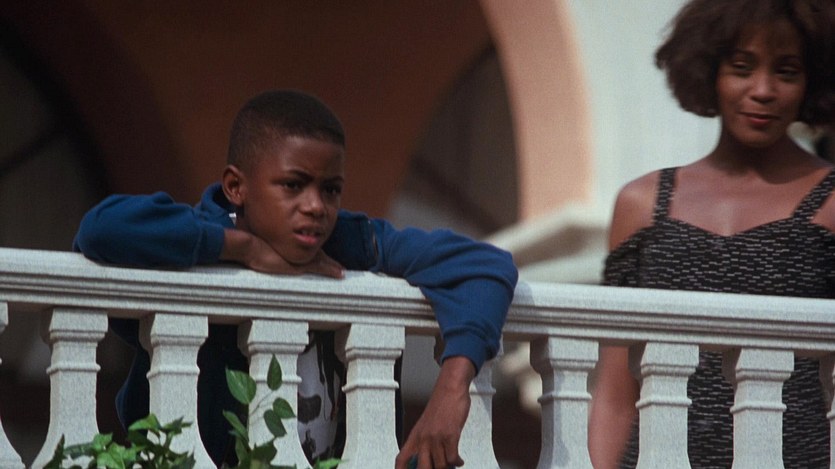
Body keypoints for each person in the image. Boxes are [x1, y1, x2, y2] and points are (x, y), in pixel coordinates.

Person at [72, 90, 518, 469]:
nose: (316, 206)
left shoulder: (351, 243)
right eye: (293, 185)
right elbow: (100, 230)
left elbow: (485, 267)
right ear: (236, 187)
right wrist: (241, 249)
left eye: (330, 189)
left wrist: (451, 391)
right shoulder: (195, 236)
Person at [587, 0, 835, 467]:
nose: (763, 90)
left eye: (786, 72)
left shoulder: (831, 204)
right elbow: (616, 389)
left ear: (813, 82)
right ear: (709, 70)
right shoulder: (642, 205)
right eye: (742, 67)